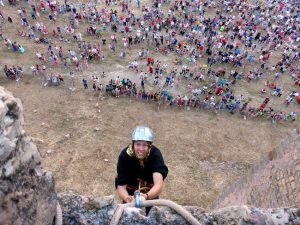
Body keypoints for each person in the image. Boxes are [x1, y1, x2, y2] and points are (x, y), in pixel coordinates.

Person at [115, 126, 168, 213]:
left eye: (145, 145)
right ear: (133, 144)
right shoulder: (125, 156)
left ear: (149, 145)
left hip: (150, 190)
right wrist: (127, 198)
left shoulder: (155, 155)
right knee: (128, 214)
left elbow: (158, 184)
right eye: (138, 144)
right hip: (130, 191)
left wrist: (146, 196)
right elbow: (121, 186)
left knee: (152, 213)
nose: (141, 149)